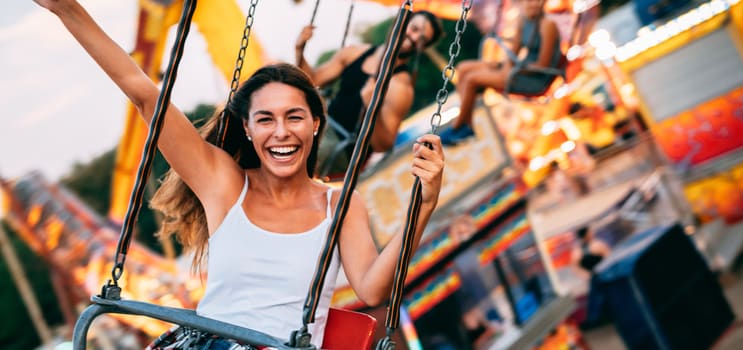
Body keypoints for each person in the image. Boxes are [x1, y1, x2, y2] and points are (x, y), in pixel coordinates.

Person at [34, 1, 445, 348]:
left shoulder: (339, 203)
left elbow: (373, 290)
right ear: (247, 129)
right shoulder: (225, 183)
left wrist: (422, 205)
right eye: (265, 119)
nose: (281, 132)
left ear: (316, 124)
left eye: (294, 117)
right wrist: (68, 10)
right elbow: (144, 94)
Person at [295, 11, 443, 173]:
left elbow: (383, 145)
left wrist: (371, 109)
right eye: (414, 29)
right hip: (324, 125)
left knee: (305, 150)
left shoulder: (400, 86)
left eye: (422, 40)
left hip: (344, 148)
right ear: (401, 23)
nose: (414, 38)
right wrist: (300, 50)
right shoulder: (355, 52)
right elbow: (314, 80)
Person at [439, 0, 562, 146]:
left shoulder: (547, 25)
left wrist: (509, 68)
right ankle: (468, 122)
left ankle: (458, 126)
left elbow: (542, 64)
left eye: (537, 2)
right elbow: (513, 52)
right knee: (463, 67)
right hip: (518, 68)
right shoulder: (524, 21)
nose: (533, 5)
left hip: (534, 77)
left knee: (471, 79)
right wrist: (501, 65)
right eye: (529, 2)